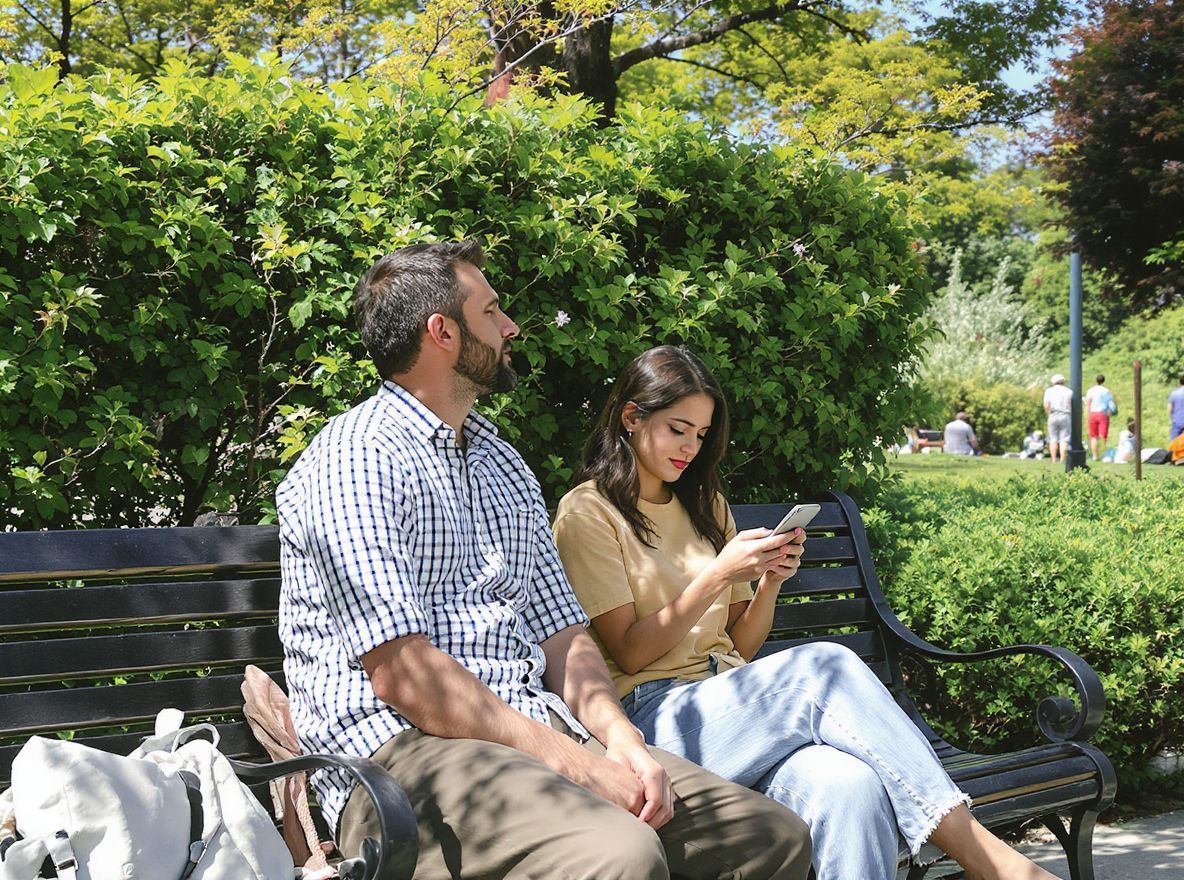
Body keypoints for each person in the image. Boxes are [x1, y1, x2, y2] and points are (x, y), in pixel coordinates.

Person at [275, 243, 812, 880]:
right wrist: (577, 763)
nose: (511, 328)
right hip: (403, 758)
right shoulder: (354, 460)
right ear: (442, 332)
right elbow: (407, 677)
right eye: (493, 311)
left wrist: (619, 739)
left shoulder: (502, 462)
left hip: (532, 729)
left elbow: (563, 633)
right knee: (624, 853)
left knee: (769, 836)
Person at [552, 345, 1062, 880]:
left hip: (735, 703)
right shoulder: (589, 512)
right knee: (825, 666)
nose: (690, 448)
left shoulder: (705, 505)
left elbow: (739, 646)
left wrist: (770, 580)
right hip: (654, 723)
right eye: (679, 429)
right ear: (632, 417)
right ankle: (986, 858)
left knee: (851, 787)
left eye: (701, 435)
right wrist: (718, 574)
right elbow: (630, 651)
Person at [1083, 374, 1117, 462]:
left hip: (1092, 413)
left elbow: (1088, 403)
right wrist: (1112, 412)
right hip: (1103, 413)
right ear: (1103, 381)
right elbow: (1111, 404)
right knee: (1103, 435)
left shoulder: (1091, 390)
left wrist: (1088, 414)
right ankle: (1104, 455)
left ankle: (1094, 456)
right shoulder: (1106, 391)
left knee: (1093, 436)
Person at [1043, 374, 1073, 464]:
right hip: (1065, 415)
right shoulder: (1069, 391)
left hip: (1053, 414)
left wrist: (1049, 415)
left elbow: (1046, 405)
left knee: (1053, 438)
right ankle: (1062, 459)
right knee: (1064, 439)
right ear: (1063, 382)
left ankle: (1053, 459)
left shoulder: (1049, 391)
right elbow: (1071, 405)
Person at [1170, 374, 1184, 442]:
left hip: (1177, 423)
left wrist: (1173, 419)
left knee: (1174, 444)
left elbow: (1170, 409)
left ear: (1180, 382)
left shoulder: (1174, 393)